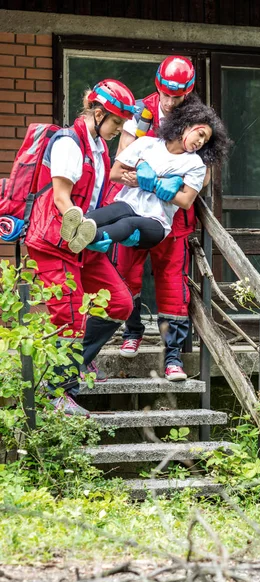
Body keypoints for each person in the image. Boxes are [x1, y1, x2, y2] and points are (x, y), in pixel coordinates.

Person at [25, 79, 137, 416]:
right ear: (98, 112)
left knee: (120, 303)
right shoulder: (68, 143)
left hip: (84, 245)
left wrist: (104, 231)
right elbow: (62, 198)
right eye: (116, 121)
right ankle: (57, 393)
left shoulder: (100, 149)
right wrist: (84, 229)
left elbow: (96, 197)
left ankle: (73, 367)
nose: (118, 129)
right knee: (70, 317)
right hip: (54, 242)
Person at [109, 56, 210, 382]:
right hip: (135, 209)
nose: (168, 101)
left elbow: (205, 176)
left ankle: (173, 358)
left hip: (175, 218)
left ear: (188, 92)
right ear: (158, 86)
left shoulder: (198, 120)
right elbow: (121, 162)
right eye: (165, 93)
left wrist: (172, 188)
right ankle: (132, 330)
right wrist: (144, 178)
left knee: (172, 283)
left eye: (176, 96)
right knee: (125, 272)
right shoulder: (141, 111)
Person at [58, 100, 227, 259]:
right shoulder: (146, 144)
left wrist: (150, 184)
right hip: (129, 203)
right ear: (186, 124)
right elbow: (115, 173)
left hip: (156, 221)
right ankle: (76, 226)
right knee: (110, 212)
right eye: (200, 134)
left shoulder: (196, 164)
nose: (200, 141)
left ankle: (90, 236)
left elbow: (185, 200)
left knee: (128, 223)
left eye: (205, 141)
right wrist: (141, 168)